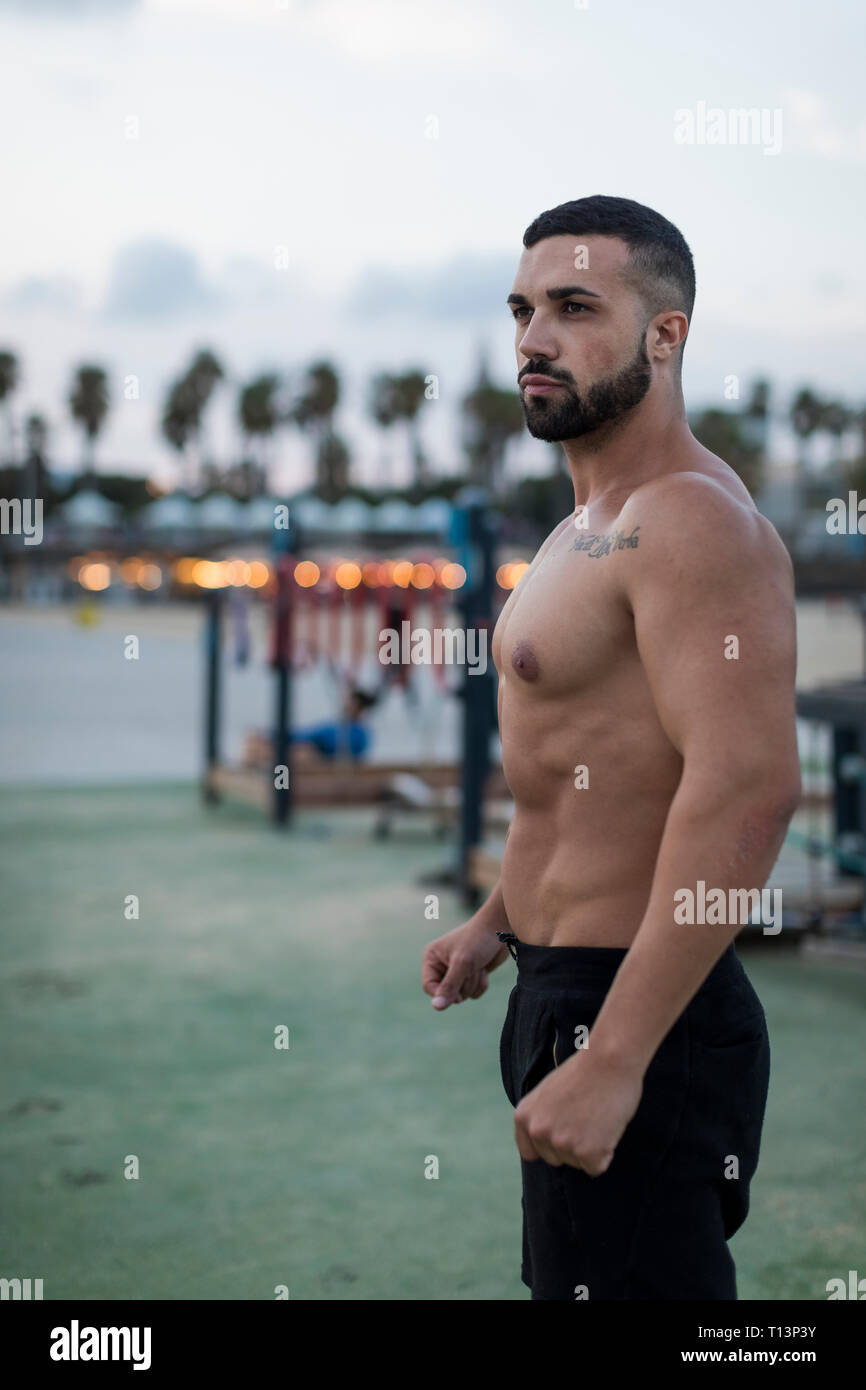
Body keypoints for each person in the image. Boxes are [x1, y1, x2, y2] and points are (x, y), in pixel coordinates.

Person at [421, 195, 801, 1300]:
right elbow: (592, 772)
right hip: (561, 985)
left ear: (663, 334)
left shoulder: (689, 519)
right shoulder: (581, 525)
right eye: (522, 309)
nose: (533, 339)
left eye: (574, 307)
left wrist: (618, 1055)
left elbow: (746, 788)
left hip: (639, 1006)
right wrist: (500, 919)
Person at [291, 686, 377, 762]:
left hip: (333, 767)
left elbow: (348, 754)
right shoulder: (335, 728)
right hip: (324, 759)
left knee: (303, 754)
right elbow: (306, 735)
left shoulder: (359, 733)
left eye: (351, 703)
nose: (347, 704)